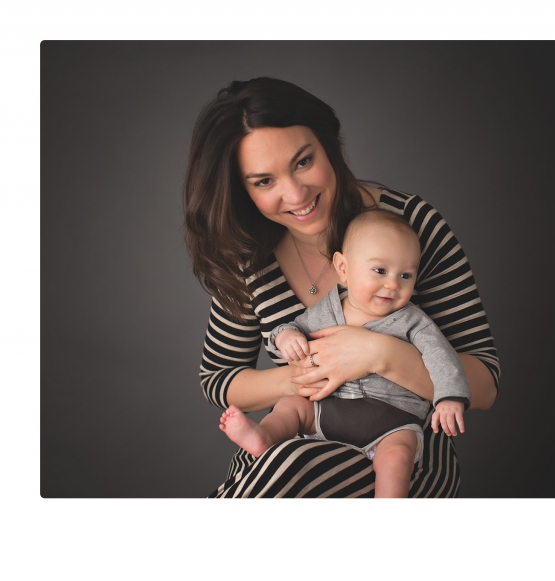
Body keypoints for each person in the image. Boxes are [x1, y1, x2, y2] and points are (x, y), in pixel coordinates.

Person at [184, 77, 499, 498]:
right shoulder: (250, 255)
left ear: (328, 144)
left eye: (302, 161)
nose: (296, 194)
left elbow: (484, 386)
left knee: (290, 471)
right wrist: (295, 379)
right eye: (264, 182)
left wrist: (379, 355)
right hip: (284, 451)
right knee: (282, 466)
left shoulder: (410, 227)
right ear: (242, 191)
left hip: (396, 456)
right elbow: (218, 378)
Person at [218, 209, 471, 497]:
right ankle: (264, 436)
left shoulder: (413, 321)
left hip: (392, 420)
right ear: (343, 268)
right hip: (328, 409)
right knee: (291, 406)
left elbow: (443, 358)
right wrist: (285, 336)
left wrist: (449, 396)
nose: (392, 284)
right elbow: (292, 328)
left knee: (397, 458)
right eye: (380, 271)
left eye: (405, 275)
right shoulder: (328, 310)